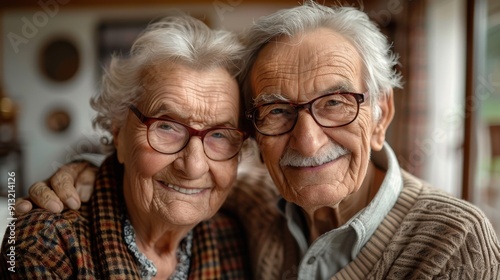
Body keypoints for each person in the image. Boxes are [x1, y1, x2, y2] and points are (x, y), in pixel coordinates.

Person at [14, 1, 500, 279]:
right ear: (257, 135)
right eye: (277, 111)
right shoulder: (252, 206)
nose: (306, 143)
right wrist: (95, 169)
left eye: (334, 102)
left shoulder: (453, 241)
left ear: (380, 115)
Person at [1, 14, 252, 279]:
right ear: (118, 133)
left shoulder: (234, 239)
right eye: (166, 126)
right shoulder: (44, 245)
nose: (194, 166)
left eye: (220, 135)